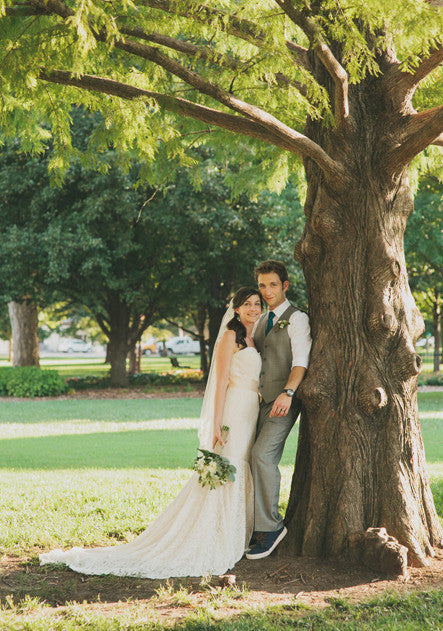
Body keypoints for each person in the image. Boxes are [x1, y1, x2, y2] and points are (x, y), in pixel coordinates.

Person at [40, 287, 263, 579]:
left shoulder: (252, 338)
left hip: (251, 412)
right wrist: (216, 424)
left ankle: (234, 532)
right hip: (233, 410)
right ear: (235, 309)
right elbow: (219, 383)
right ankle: (215, 536)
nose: (253, 308)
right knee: (228, 469)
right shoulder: (229, 337)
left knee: (241, 466)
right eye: (247, 304)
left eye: (257, 304)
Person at [246, 260, 311, 560]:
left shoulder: (297, 319)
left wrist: (288, 393)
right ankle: (252, 523)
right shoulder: (261, 319)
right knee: (249, 457)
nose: (267, 291)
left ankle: (271, 527)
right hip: (257, 402)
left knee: (262, 456)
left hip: (284, 400)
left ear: (285, 285)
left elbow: (300, 362)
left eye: (273, 284)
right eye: (262, 285)